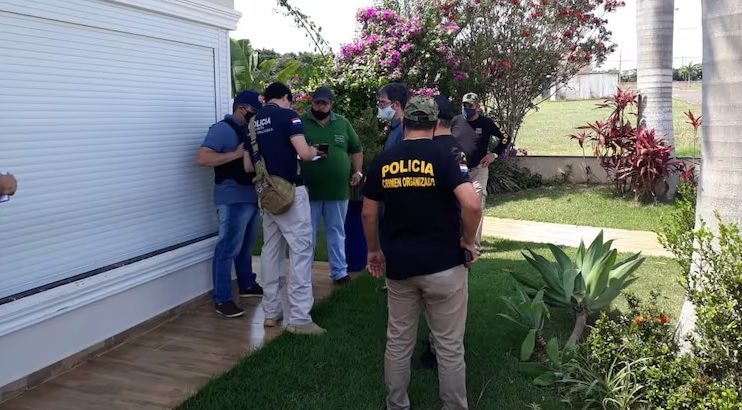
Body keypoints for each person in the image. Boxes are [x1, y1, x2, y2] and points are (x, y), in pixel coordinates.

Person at [361, 95, 482, 410]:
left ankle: (396, 405)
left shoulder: (384, 159)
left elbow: (368, 213)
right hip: (444, 265)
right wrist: (469, 242)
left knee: (399, 342)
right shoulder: (446, 155)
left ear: (404, 121)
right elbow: (472, 205)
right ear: (434, 123)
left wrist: (374, 250)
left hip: (400, 266)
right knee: (449, 346)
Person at [248, 82, 326, 335]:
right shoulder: (289, 116)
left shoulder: (253, 123)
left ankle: (271, 312)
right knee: (301, 251)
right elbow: (304, 154)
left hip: (267, 194)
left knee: (271, 250)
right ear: (285, 97)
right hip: (291, 192)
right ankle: (300, 318)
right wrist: (313, 150)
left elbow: (248, 166)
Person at [196, 90, 264, 318]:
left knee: (245, 246)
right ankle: (222, 299)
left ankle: (247, 284)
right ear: (241, 108)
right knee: (227, 248)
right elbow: (203, 158)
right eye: (253, 110)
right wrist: (235, 154)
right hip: (232, 198)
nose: (256, 115)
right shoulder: (222, 129)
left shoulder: (249, 129)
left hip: (251, 196)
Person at [301, 86, 364, 285]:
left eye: (324, 103)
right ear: (312, 102)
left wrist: (358, 172)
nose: (320, 106)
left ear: (331, 104)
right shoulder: (300, 122)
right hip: (308, 191)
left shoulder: (342, 123)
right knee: (306, 235)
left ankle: (339, 272)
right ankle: (304, 274)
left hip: (337, 190)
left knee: (337, 232)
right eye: (317, 102)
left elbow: (356, 148)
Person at [450, 92, 511, 253]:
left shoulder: (486, 123)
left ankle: (473, 246)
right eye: (464, 105)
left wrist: (494, 155)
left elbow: (505, 137)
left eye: (470, 106)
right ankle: (455, 241)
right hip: (458, 171)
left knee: (476, 206)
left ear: (477, 107)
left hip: (478, 170)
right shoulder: (455, 121)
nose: (466, 108)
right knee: (455, 206)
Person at [378, 83, 410, 150]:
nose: (380, 106)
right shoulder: (395, 128)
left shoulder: (403, 130)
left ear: (396, 105)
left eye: (383, 103)